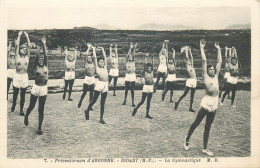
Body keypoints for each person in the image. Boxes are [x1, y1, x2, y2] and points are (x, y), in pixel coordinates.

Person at [183, 39, 222, 157]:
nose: (211, 70)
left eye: (212, 69)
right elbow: (204, 61)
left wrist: (218, 49)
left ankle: (205, 148)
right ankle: (187, 139)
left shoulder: (215, 76)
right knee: (196, 122)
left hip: (215, 102)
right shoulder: (205, 77)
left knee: (208, 126)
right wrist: (201, 48)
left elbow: (219, 62)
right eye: (210, 69)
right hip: (207, 102)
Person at [24, 37, 48, 135]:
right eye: (40, 59)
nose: (41, 60)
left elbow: (45, 55)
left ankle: (39, 127)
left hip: (44, 89)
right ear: (38, 60)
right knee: (31, 106)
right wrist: (38, 47)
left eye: (42, 59)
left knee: (41, 108)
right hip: (36, 87)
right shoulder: (35, 67)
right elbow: (37, 55)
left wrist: (44, 44)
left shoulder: (46, 65)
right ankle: (26, 115)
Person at [84, 46, 108, 124]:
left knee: (103, 102)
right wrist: (94, 49)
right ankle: (87, 110)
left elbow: (105, 57)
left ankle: (101, 118)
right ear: (97, 63)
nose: (102, 62)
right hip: (99, 84)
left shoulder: (105, 68)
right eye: (100, 62)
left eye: (102, 62)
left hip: (105, 85)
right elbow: (94, 57)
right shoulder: (97, 68)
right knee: (94, 100)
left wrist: (102, 49)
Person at [11, 31, 31, 116]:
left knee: (23, 95)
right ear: (20, 50)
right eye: (23, 49)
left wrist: (27, 36)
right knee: (15, 93)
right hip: (17, 76)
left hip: (24, 76)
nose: (24, 50)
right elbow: (16, 45)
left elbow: (29, 46)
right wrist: (19, 35)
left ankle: (21, 110)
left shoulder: (27, 57)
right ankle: (14, 103)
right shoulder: (17, 56)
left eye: (25, 49)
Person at [174, 46, 196, 112]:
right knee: (185, 94)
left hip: (194, 81)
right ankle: (177, 102)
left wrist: (190, 51)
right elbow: (187, 58)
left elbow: (191, 58)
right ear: (186, 62)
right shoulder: (187, 67)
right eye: (188, 62)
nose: (190, 62)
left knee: (192, 95)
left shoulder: (192, 66)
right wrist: (186, 51)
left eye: (190, 62)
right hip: (189, 81)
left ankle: (190, 107)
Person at [132, 53, 154, 119]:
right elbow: (145, 65)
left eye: (150, 68)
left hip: (151, 87)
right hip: (146, 87)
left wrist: (152, 58)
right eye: (148, 68)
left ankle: (147, 114)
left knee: (148, 102)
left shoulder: (152, 72)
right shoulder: (145, 72)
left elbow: (152, 64)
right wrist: (146, 57)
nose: (149, 69)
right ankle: (136, 109)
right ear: (146, 69)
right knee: (142, 101)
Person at [78, 44, 95, 108]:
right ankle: (81, 100)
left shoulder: (93, 63)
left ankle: (90, 106)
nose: (89, 59)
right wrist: (88, 48)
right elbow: (86, 56)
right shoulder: (86, 63)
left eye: (90, 58)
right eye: (88, 58)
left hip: (92, 78)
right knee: (84, 92)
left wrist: (93, 49)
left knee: (91, 93)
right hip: (87, 78)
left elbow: (94, 56)